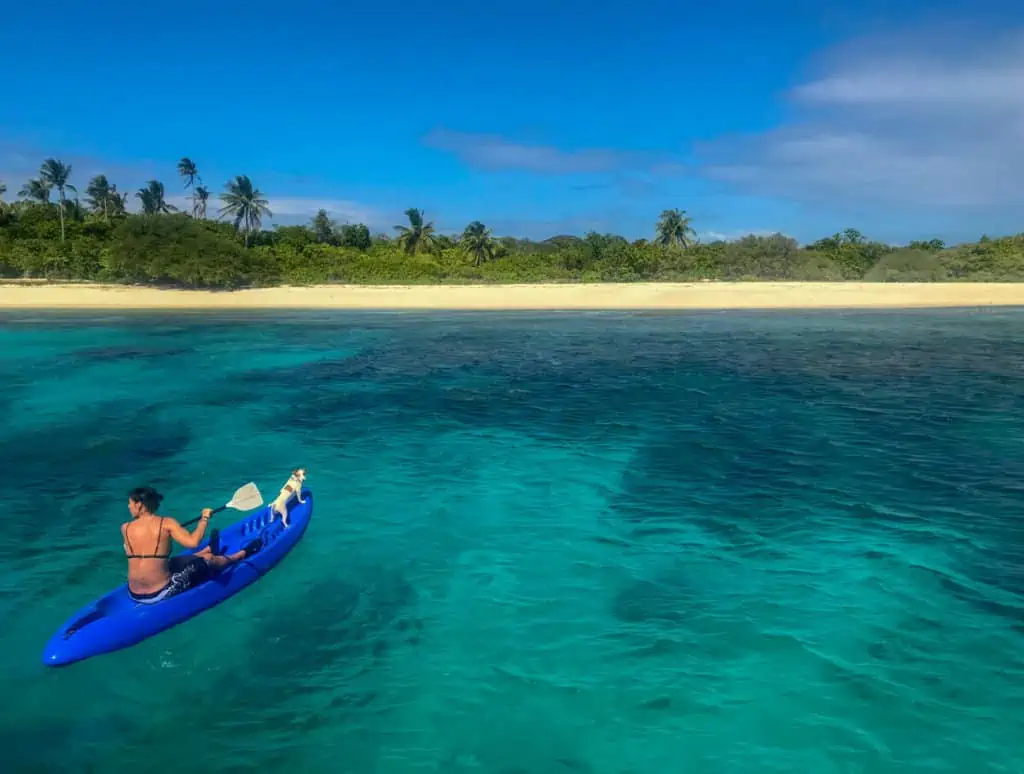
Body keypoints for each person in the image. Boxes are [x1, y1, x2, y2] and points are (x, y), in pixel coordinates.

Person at [121, 485, 262, 604]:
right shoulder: (166, 523)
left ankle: (206, 550)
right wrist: (204, 519)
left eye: (130, 503)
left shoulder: (125, 528)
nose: (128, 506)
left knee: (171, 561)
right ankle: (239, 555)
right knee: (208, 560)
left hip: (133, 593)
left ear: (139, 504)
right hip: (161, 592)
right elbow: (193, 542)